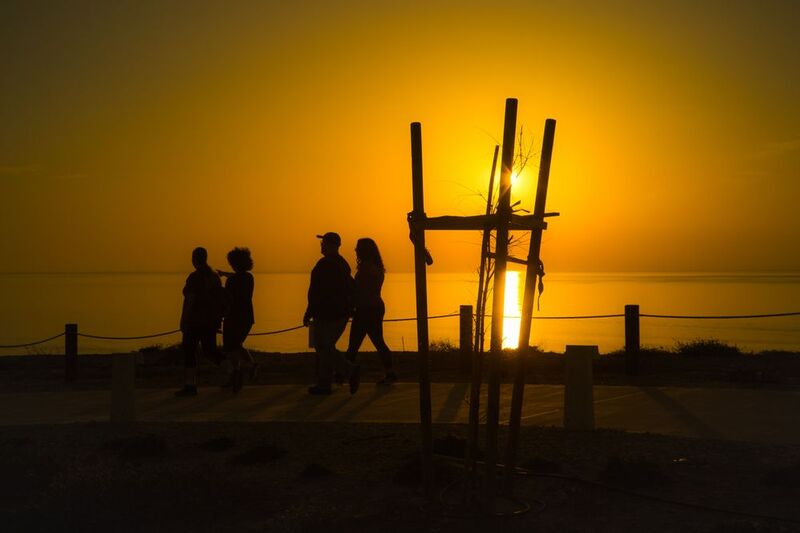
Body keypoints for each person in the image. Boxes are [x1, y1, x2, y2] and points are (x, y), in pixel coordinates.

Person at [303, 232, 360, 395]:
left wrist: (309, 311)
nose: (321, 245)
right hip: (338, 312)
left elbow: (317, 291)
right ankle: (324, 384)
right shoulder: (342, 264)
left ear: (333, 245)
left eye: (324, 243)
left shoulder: (326, 264)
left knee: (323, 347)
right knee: (325, 347)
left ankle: (349, 370)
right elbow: (351, 287)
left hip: (328, 313)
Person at [346, 238, 396, 385]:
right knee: (375, 341)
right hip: (373, 307)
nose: (355, 250)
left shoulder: (367, 269)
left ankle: (345, 373)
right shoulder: (376, 267)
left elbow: (361, 290)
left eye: (357, 248)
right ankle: (389, 372)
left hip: (367, 309)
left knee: (356, 343)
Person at [176, 247, 225, 397]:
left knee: (190, 352)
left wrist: (183, 320)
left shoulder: (194, 277)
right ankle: (231, 369)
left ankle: (191, 385)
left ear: (194, 259)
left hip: (195, 322)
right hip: (210, 321)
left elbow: (190, 299)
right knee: (210, 351)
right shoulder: (214, 277)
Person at [217, 247, 257, 394]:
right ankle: (250, 366)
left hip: (233, 317)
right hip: (247, 317)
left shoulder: (232, 281)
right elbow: (237, 277)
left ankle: (238, 374)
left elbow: (228, 300)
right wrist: (225, 274)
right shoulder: (249, 277)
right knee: (237, 345)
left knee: (231, 348)